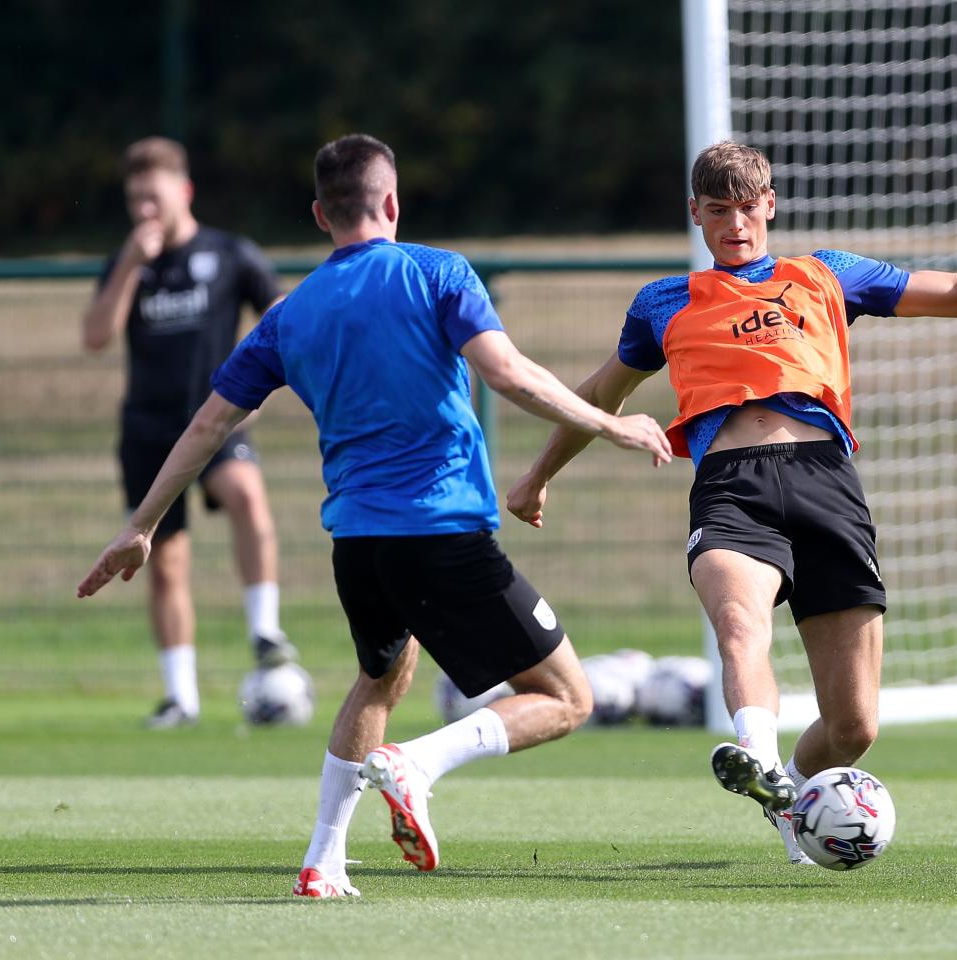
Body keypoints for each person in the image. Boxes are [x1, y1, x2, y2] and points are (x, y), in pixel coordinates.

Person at [77, 133, 673, 897]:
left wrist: (142, 524)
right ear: (392, 203)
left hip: (357, 546)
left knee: (380, 678)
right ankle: (417, 764)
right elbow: (507, 374)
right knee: (567, 697)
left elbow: (207, 426)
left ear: (321, 215)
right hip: (441, 533)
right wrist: (612, 424)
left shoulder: (290, 316)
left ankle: (322, 862)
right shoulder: (436, 272)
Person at [506, 141, 957, 865]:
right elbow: (603, 396)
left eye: (748, 208)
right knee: (738, 622)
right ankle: (756, 753)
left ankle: (787, 790)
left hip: (826, 483)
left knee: (853, 727)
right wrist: (539, 475)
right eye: (718, 210)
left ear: (771, 206)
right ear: (696, 214)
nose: (736, 224)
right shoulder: (663, 302)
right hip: (733, 489)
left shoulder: (824, 275)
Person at [81, 136, 296, 729]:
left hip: (214, 422)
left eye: (154, 197)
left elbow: (285, 318)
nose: (145, 211)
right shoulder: (130, 258)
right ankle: (182, 697)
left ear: (184, 191)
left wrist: (261, 390)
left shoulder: (230, 254)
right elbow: (96, 336)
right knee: (164, 561)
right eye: (135, 201)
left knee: (246, 494)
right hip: (148, 430)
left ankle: (264, 631)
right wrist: (130, 261)